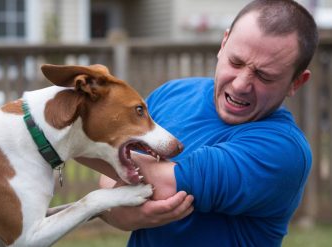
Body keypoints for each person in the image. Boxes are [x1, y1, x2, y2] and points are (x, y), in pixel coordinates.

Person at [80, 0, 319, 246]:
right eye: (236, 62)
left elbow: (159, 181)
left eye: (264, 76)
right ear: (223, 43)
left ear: (296, 83)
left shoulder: (283, 151)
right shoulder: (174, 93)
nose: (240, 85)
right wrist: (123, 216)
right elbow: (109, 179)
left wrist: (65, 132)